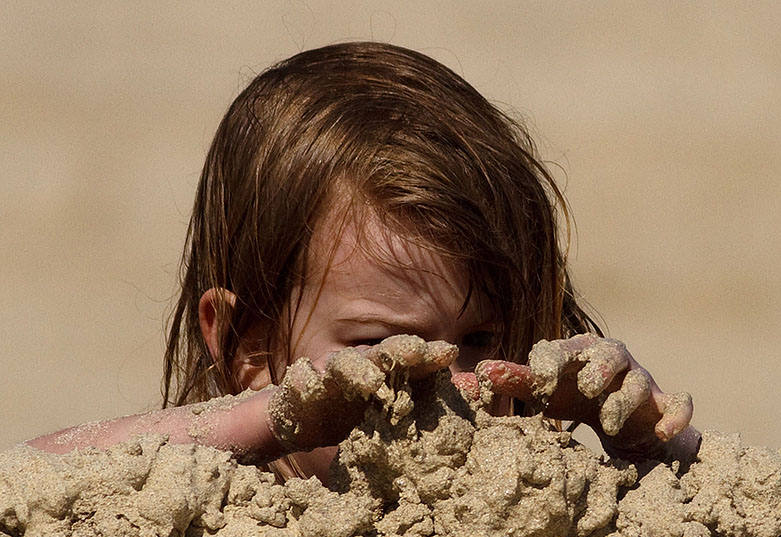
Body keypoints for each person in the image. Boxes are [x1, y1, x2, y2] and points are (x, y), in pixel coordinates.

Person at [26, 42, 700, 484]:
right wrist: (264, 419)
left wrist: (651, 443)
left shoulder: (534, 507)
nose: (455, 386)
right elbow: (30, 481)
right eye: (385, 346)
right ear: (246, 344)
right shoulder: (210, 511)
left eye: (482, 340)